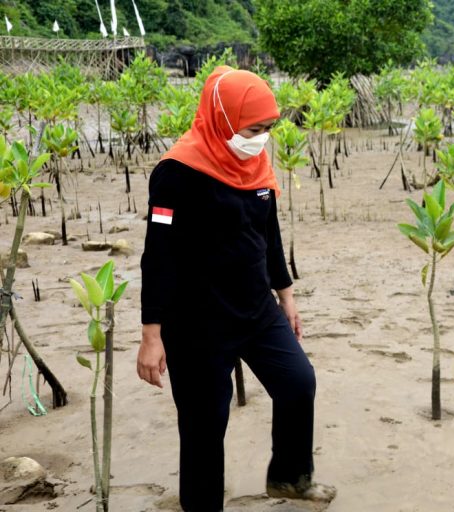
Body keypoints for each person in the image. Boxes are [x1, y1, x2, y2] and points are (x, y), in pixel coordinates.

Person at [137, 65, 336, 511]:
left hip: (256, 309)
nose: (261, 138)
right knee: (205, 425)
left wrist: (286, 296)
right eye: (254, 128)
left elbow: (268, 234)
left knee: (298, 382)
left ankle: (289, 477)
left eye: (268, 129)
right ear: (224, 119)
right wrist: (152, 334)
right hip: (196, 322)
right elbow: (159, 255)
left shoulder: (253, 161)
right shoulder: (176, 173)